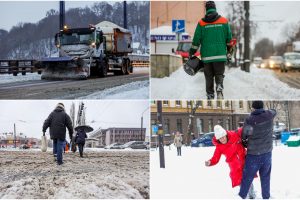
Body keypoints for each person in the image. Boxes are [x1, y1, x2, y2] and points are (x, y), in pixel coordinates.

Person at [189, 1, 232, 100]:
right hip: (220, 56)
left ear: (206, 10)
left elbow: (196, 40)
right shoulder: (224, 21)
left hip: (207, 57)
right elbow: (229, 39)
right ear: (215, 8)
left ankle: (210, 95)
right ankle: (219, 88)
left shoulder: (201, 23)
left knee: (208, 77)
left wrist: (192, 52)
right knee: (219, 74)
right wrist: (229, 51)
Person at [239, 101, 276, 199]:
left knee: (247, 178)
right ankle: (266, 197)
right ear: (262, 107)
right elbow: (274, 111)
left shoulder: (249, 120)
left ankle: (241, 196)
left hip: (253, 155)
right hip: (267, 153)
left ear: (253, 108)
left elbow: (244, 135)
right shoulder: (269, 115)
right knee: (265, 177)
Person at [205, 125, 255, 198]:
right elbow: (215, 157)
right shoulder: (219, 147)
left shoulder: (234, 135)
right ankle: (244, 193)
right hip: (234, 165)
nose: (222, 139)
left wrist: (250, 124)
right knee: (239, 179)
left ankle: (252, 193)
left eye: (223, 137)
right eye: (220, 139)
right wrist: (210, 162)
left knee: (248, 177)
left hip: (244, 160)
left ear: (225, 135)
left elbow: (242, 129)